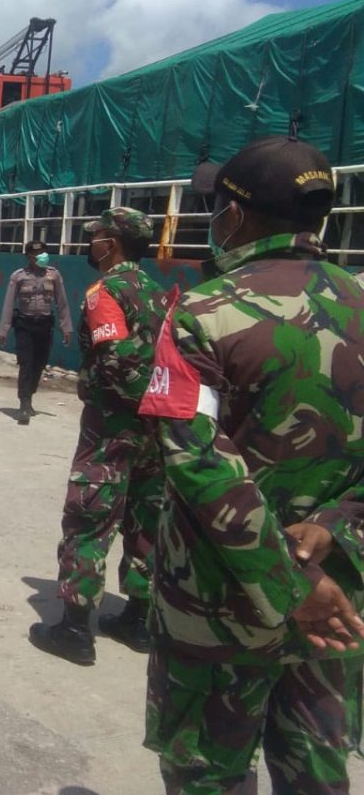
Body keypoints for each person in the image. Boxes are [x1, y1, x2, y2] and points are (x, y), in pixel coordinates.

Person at [138, 136, 364, 792]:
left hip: (219, 609)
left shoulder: (201, 315)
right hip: (335, 604)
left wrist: (291, 584)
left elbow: (198, 465)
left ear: (233, 216)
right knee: (315, 772)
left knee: (208, 774)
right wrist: (333, 525)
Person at [28, 207, 167, 666]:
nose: (92, 244)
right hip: (156, 427)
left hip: (112, 427)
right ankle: (138, 619)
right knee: (146, 519)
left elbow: (115, 362)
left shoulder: (104, 291)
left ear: (113, 243)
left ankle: (74, 629)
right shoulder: (157, 292)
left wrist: (129, 407)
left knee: (88, 519)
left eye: (98, 236)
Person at [0, 241, 73, 424]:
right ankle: (24, 403)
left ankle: (29, 396)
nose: (41, 257)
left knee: (39, 364)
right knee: (26, 363)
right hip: (25, 324)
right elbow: (9, 303)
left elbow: (62, 302)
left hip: (44, 325)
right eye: (36, 254)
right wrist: (4, 330)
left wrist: (66, 327)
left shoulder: (53, 275)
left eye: (43, 253)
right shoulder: (19, 276)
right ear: (28, 256)